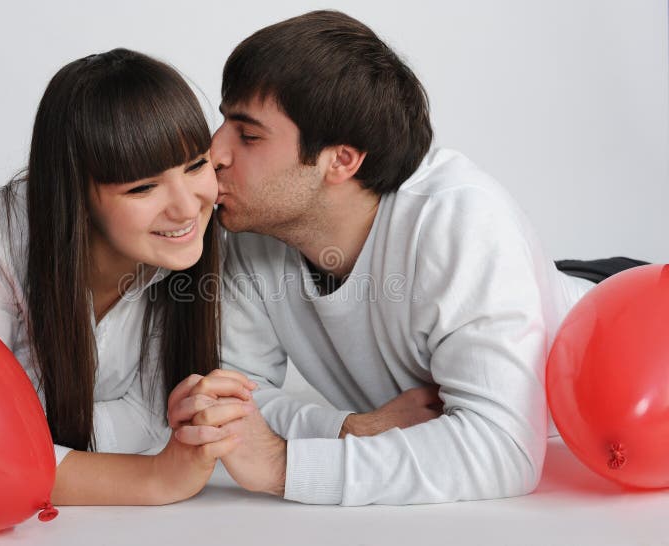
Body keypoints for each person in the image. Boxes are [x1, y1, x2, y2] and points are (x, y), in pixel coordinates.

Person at [172, 10, 650, 506]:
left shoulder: (459, 220)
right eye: (224, 121)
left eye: (248, 136)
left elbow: (502, 449)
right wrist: (350, 429)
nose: (214, 153)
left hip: (631, 323)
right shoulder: (256, 221)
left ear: (341, 160)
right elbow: (234, 399)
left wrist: (282, 464)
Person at [0, 49, 256, 505]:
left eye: (195, 165)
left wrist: (38, 439)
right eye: (143, 187)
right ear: (76, 196)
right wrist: (155, 477)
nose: (188, 206)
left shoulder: (181, 247)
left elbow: (149, 416)